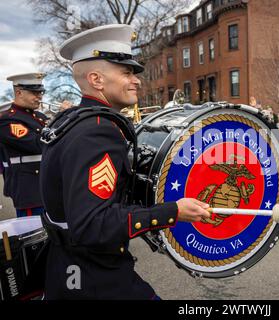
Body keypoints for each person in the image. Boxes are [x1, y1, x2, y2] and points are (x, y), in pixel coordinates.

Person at [39, 24, 211, 300]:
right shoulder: (97, 131)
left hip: (70, 268)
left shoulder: (73, 121)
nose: (137, 80)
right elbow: (92, 225)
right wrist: (172, 211)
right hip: (96, 278)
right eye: (127, 72)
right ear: (96, 80)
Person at [0, 72, 48, 217]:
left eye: (40, 92)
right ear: (19, 92)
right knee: (34, 236)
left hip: (48, 185)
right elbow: (37, 144)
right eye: (34, 92)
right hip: (29, 189)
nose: (39, 96)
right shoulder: (8, 120)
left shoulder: (40, 117)